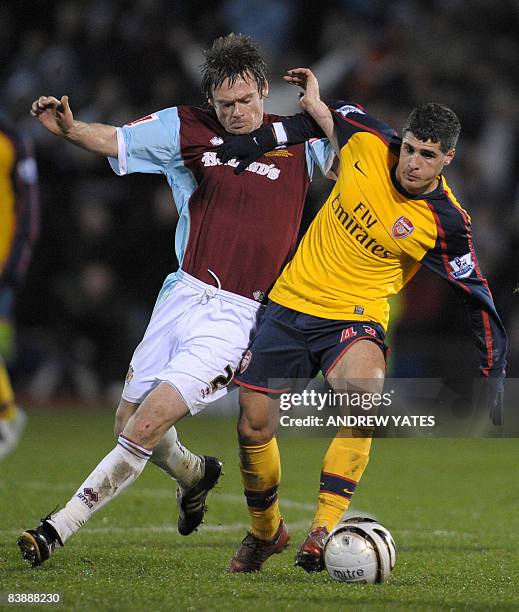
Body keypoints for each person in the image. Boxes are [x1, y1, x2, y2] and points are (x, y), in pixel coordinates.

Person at [17, 37, 333, 567]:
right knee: (127, 422)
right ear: (212, 99)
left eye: (246, 101)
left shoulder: (298, 140)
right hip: (182, 295)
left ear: (263, 87)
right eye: (225, 104)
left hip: (238, 314)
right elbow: (117, 140)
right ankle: (195, 474)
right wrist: (71, 130)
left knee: (145, 425)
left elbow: (351, 158)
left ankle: (55, 528)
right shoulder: (186, 127)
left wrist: (320, 108)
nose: (236, 114)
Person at [217, 68, 507, 573]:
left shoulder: (447, 222)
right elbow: (326, 118)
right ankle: (265, 534)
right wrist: (311, 102)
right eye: (411, 148)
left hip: (354, 318)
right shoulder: (370, 142)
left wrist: (493, 368)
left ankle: (324, 529)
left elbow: (476, 293)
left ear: (448, 160)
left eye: (428, 156)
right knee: (252, 423)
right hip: (291, 303)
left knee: (365, 394)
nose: (412, 163)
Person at [0, 112, 40, 460]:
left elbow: (28, 208)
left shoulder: (12, 138)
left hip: (2, 260)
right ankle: (7, 413)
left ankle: (8, 413)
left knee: (2, 341)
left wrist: (16, 260)